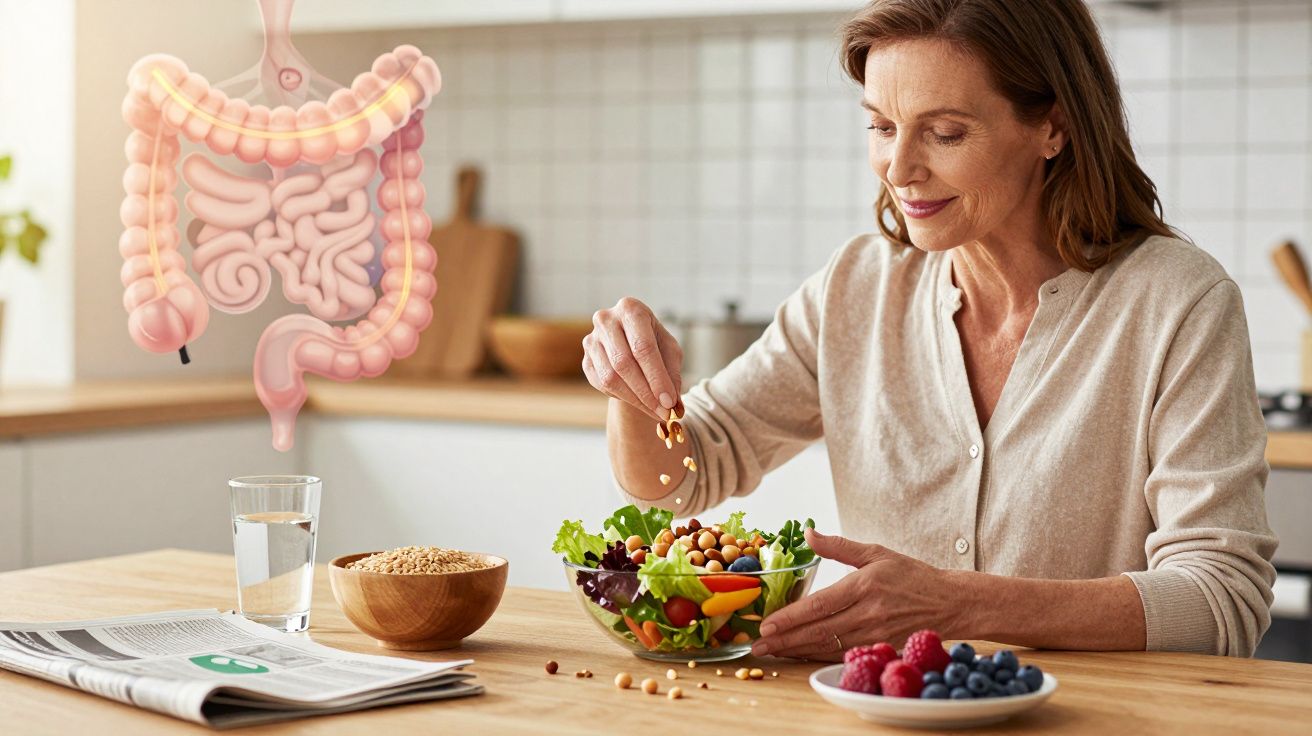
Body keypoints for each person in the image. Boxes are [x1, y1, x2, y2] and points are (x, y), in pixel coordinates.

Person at [582, 0, 1277, 659]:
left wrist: (961, 605)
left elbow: (1221, 602)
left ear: (1053, 128)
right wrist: (635, 388)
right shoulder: (856, 288)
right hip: (884, 714)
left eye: (945, 133)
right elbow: (685, 473)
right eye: (882, 126)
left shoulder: (1179, 300)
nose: (900, 168)